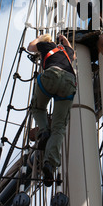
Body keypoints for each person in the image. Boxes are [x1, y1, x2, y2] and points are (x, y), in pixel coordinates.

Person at [28, 33, 76, 186]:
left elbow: (30, 46)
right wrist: (65, 40)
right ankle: (50, 163)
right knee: (59, 127)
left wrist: (41, 37)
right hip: (69, 82)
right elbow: (73, 53)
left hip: (52, 75)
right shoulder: (66, 52)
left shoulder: (45, 45)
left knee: (37, 107)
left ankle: (43, 131)